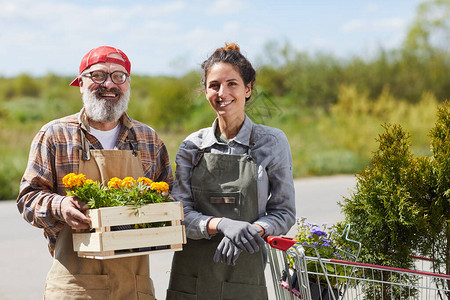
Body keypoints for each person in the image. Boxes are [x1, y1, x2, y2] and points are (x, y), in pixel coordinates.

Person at [17, 45, 174, 300]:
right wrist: (61, 206)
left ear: (128, 84)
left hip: (135, 287)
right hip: (74, 286)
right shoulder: (55, 135)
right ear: (80, 83)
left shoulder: (147, 139)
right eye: (98, 75)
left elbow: (170, 195)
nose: (109, 84)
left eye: (118, 76)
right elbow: (28, 198)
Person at [166, 42, 296, 299]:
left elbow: (284, 213)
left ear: (247, 89)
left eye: (232, 84)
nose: (222, 92)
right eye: (214, 85)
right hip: (191, 279)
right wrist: (221, 225)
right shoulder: (193, 146)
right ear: (205, 91)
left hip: (244, 275)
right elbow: (179, 215)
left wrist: (251, 230)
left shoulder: (271, 142)